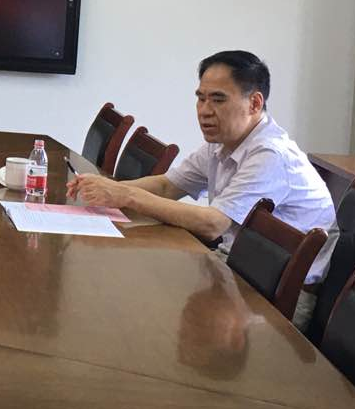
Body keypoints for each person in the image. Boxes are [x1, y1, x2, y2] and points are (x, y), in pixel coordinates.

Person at [69, 50, 336, 331]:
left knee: (141, 312)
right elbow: (168, 185)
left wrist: (126, 195)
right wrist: (108, 188)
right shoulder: (223, 141)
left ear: (255, 103)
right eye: (201, 98)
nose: (204, 110)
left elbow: (213, 224)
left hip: (278, 300)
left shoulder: (271, 155)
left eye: (218, 99)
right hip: (235, 269)